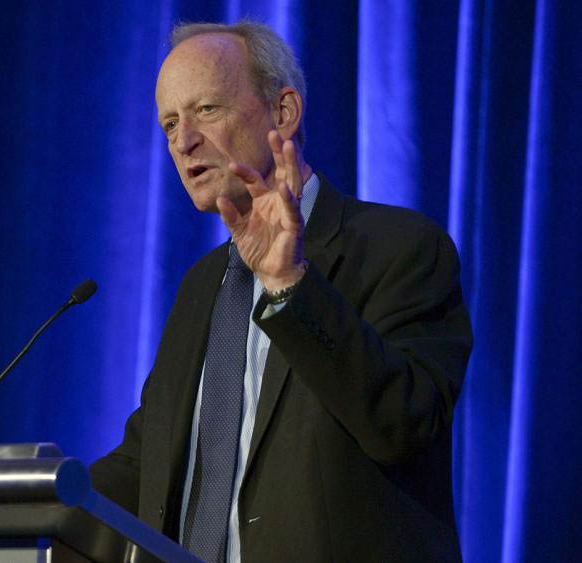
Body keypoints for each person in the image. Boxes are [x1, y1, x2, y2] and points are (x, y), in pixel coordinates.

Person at [88, 20, 472, 562]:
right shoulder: (201, 286)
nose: (183, 140)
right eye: (169, 123)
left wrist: (290, 285)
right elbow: (140, 467)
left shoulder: (400, 249)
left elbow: (403, 425)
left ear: (284, 112)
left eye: (206, 110)